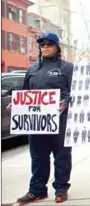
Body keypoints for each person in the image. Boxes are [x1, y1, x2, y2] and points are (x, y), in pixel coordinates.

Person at [6, 32, 73, 204]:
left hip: (61, 120)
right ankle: (37, 190)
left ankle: (61, 189)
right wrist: (17, 105)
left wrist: (66, 101)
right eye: (42, 44)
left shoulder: (67, 68)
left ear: (57, 47)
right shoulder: (32, 69)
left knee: (62, 156)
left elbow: (76, 93)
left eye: (49, 44)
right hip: (36, 123)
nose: (45, 47)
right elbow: (26, 93)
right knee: (38, 157)